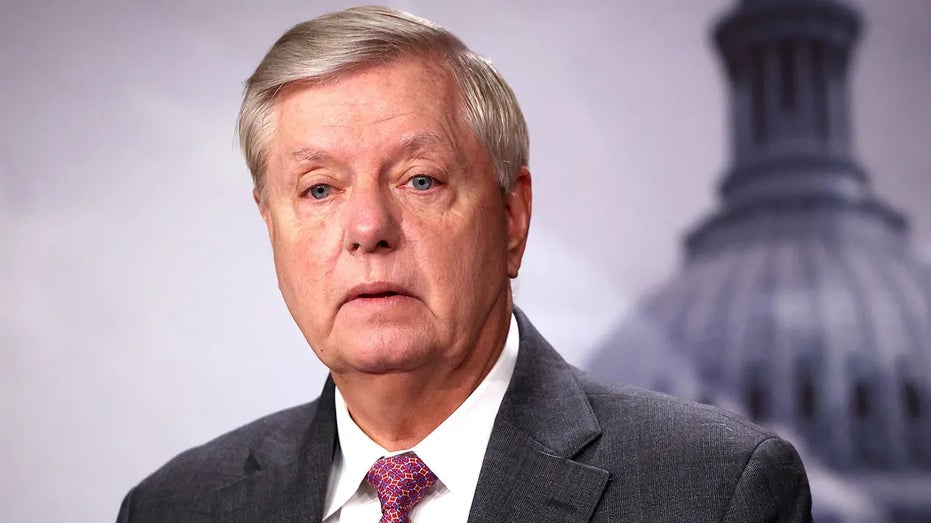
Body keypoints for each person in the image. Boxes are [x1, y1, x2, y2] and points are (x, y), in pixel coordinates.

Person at [117, 6, 811, 522]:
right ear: (270, 225)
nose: (367, 228)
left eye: (420, 179)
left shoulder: (716, 491)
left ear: (511, 217)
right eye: (319, 189)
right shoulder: (173, 507)